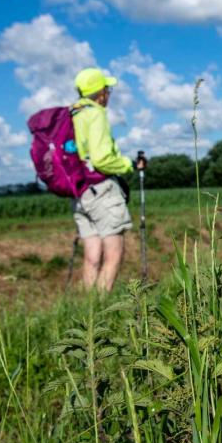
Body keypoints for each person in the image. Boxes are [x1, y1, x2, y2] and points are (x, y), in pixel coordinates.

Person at [71, 68, 145, 292]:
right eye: (107, 89)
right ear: (101, 92)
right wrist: (129, 165)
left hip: (80, 192)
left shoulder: (73, 114)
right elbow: (102, 158)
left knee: (92, 256)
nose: (109, 94)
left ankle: (88, 313)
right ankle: (103, 312)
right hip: (102, 190)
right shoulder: (96, 114)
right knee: (113, 255)